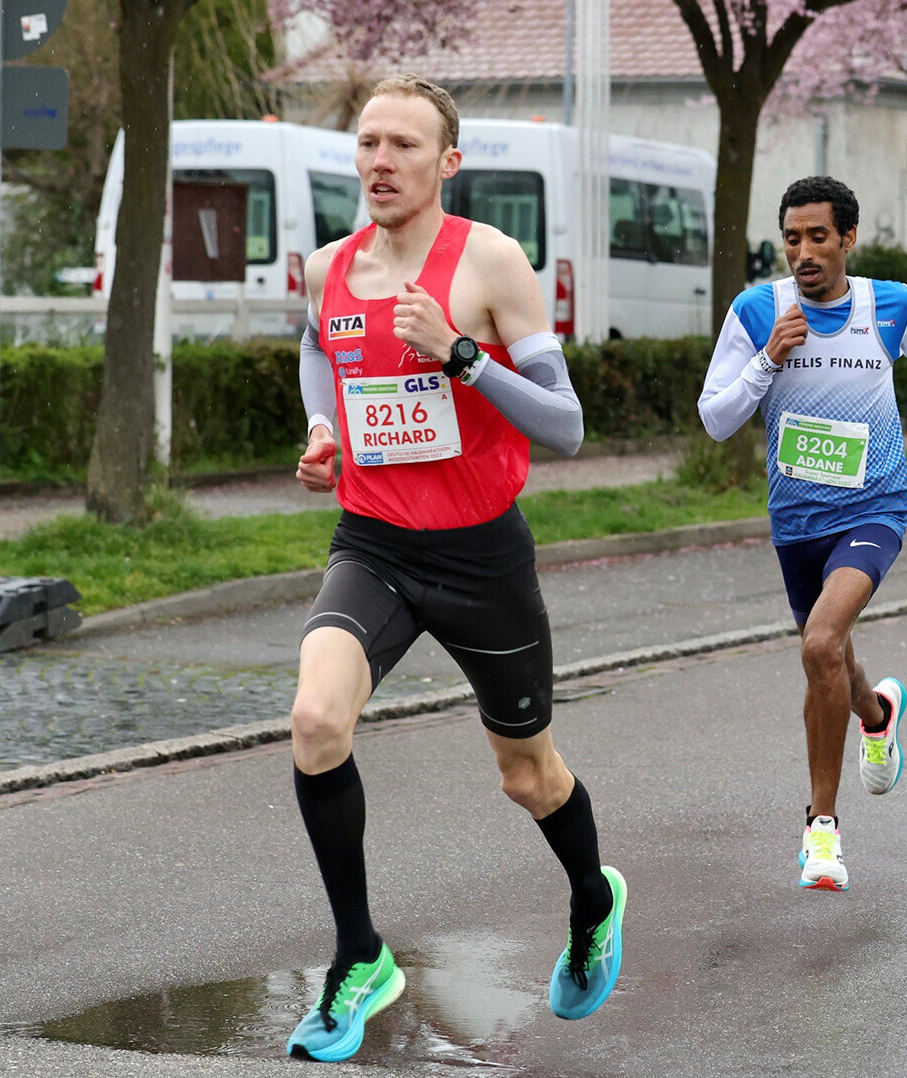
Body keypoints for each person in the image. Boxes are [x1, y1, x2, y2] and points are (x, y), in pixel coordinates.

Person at [285, 74, 625, 1062]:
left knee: (527, 775)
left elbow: (563, 427)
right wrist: (322, 428)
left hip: (481, 557)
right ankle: (358, 955)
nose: (380, 161)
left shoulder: (490, 261)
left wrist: (463, 358)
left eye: (403, 145)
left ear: (447, 162)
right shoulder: (329, 269)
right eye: (367, 143)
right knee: (314, 721)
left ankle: (593, 897)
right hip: (375, 544)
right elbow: (319, 350)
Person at [697, 176, 907, 892]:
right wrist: (768, 360)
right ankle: (877, 715)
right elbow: (716, 419)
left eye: (818, 237)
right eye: (791, 238)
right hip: (797, 522)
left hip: (875, 505)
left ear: (848, 238)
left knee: (819, 645)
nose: (803, 252)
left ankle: (822, 831)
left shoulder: (887, 302)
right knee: (831, 652)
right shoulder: (758, 312)